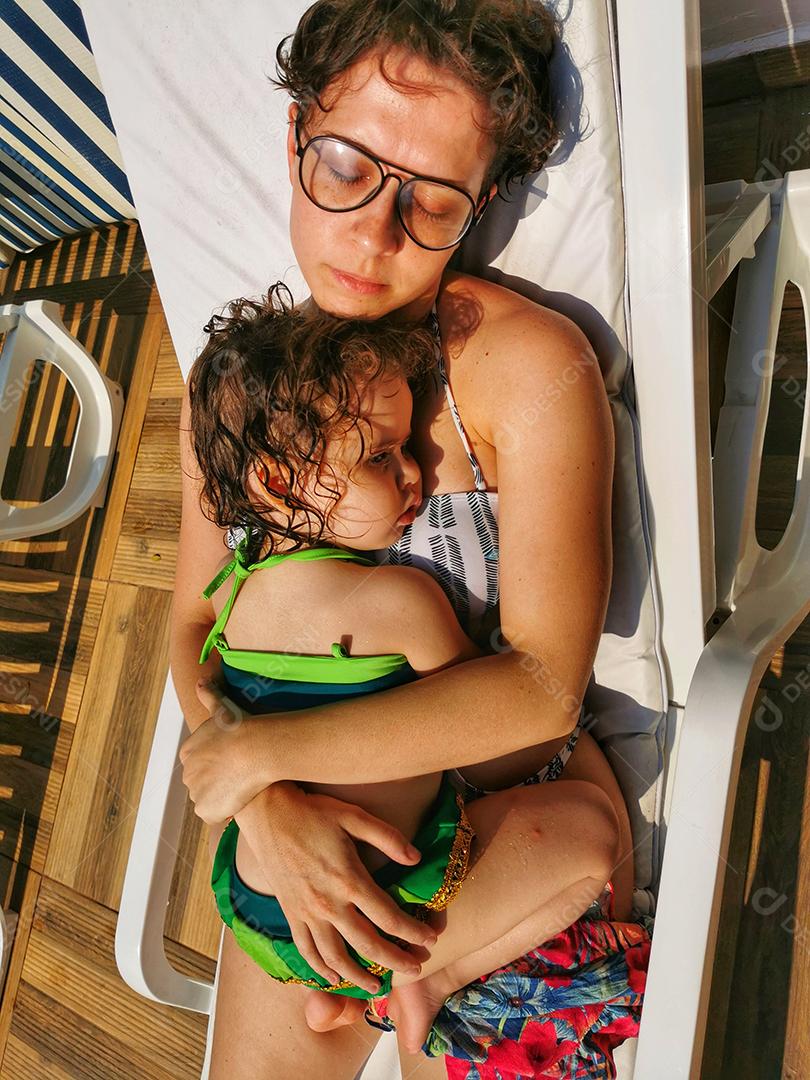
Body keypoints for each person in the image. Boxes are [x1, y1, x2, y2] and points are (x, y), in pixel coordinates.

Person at [171, 2, 640, 1075]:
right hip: (320, 822)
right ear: (294, 138)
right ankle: (381, 996)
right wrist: (273, 808)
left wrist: (267, 758)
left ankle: (388, 1000)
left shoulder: (526, 370)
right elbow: (193, 622)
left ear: (477, 206)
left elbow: (538, 692)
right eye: (344, 166)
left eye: (431, 200)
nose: (377, 236)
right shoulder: (243, 399)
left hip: (510, 826)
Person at [184, 287, 619, 1054]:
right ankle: (419, 979)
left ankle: (341, 998)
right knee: (590, 836)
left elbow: (205, 680)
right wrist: (579, 758)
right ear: (277, 485)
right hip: (375, 902)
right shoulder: (400, 603)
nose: (416, 474)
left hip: (256, 901)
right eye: (382, 459)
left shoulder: (231, 600)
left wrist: (259, 779)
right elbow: (494, 740)